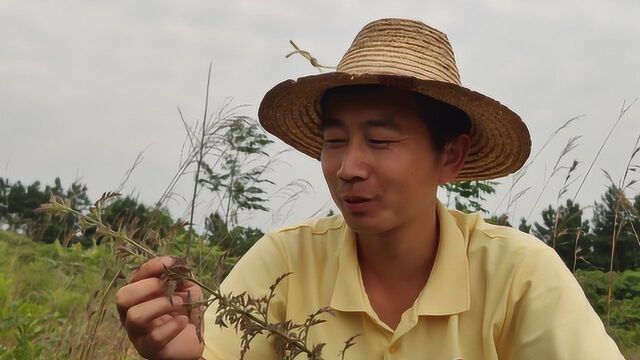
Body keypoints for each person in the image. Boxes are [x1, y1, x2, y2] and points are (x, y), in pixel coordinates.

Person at [116, 18, 624, 359]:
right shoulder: (285, 263)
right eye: (335, 140)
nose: (348, 167)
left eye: (380, 140)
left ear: (451, 155)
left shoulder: (516, 275)